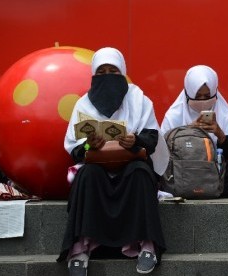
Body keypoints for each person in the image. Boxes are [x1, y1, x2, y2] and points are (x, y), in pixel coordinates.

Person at [57, 47, 169, 276]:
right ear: (93, 75)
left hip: (130, 162)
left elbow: (152, 139)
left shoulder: (138, 99)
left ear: (123, 73)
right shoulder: (83, 104)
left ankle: (146, 245)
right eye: (101, 71)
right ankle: (80, 248)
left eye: (113, 71)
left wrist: (134, 140)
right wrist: (91, 145)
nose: (107, 76)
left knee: (139, 172)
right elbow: (77, 150)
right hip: (99, 165)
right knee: (87, 175)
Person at [161, 65, 228, 198]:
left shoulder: (223, 113)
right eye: (197, 96)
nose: (203, 101)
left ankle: (199, 190)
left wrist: (220, 135)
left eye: (207, 96)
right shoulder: (174, 115)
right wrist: (188, 131)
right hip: (184, 169)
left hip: (212, 168)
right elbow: (163, 155)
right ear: (188, 93)